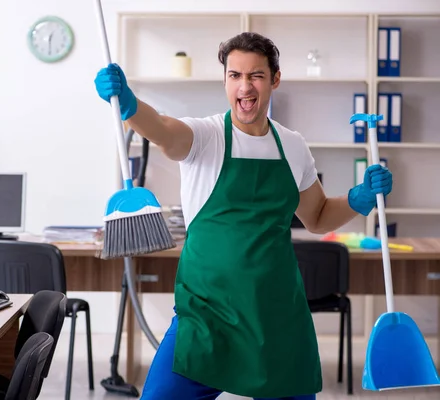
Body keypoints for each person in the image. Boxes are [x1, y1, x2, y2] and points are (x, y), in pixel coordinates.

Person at [94, 32, 393, 400]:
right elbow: (162, 129)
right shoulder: (206, 137)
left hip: (277, 318)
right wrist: (129, 105)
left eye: (256, 76)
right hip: (207, 317)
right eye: (235, 75)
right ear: (225, 80)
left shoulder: (293, 146)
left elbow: (316, 216)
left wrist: (359, 197)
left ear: (275, 79)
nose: (244, 86)